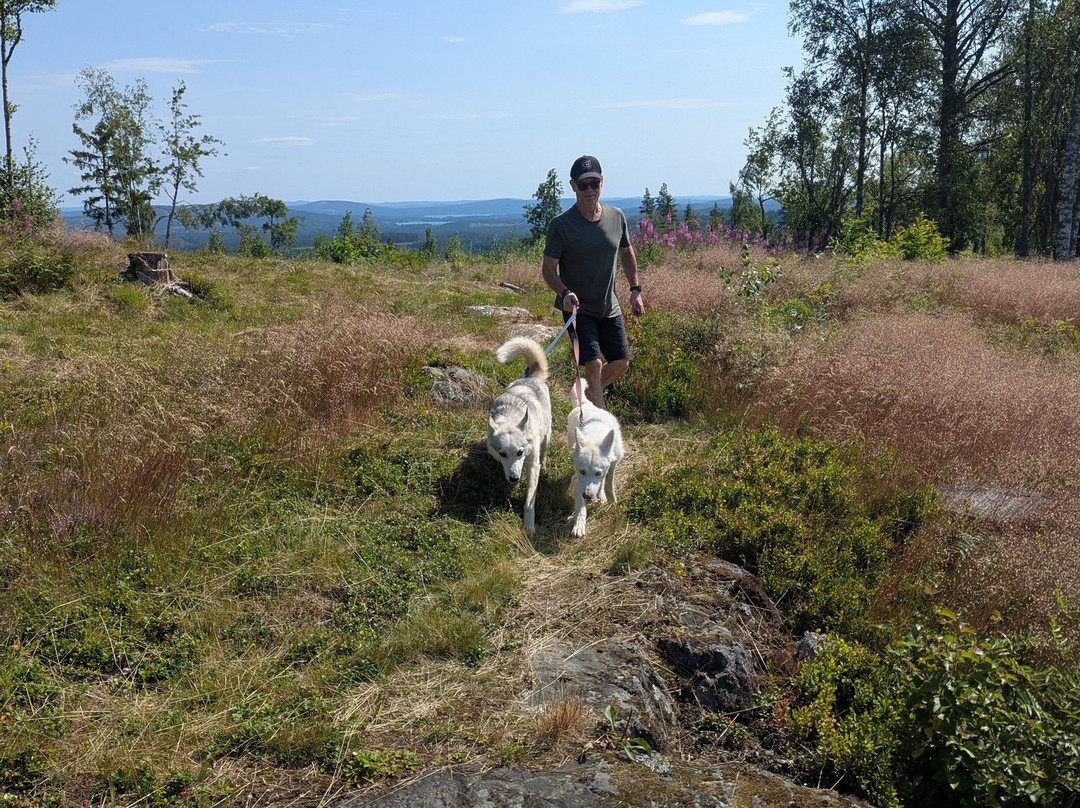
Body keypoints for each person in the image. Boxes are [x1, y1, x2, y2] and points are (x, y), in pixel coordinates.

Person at [541, 155, 645, 410]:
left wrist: (635, 290)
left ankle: (585, 396)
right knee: (594, 365)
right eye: (583, 184)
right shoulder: (561, 225)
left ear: (602, 183)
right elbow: (548, 269)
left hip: (609, 306)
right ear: (573, 186)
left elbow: (627, 253)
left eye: (594, 183)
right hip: (577, 309)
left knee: (621, 363)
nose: (589, 189)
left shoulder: (616, 216)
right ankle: (597, 429)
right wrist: (564, 292)